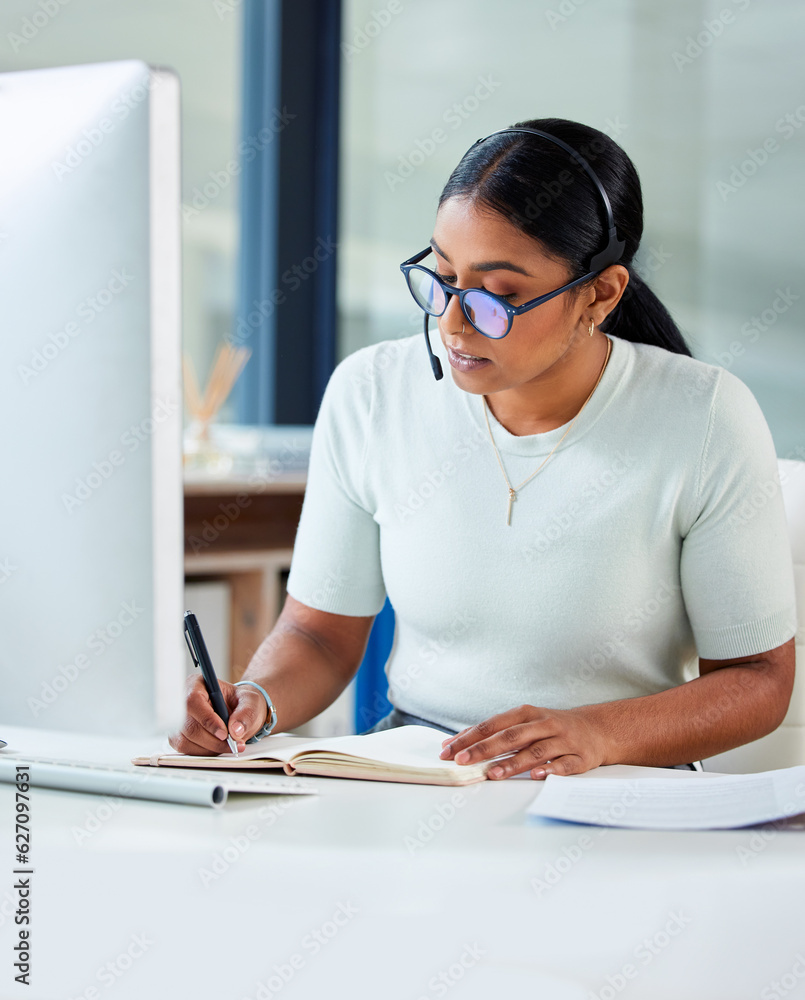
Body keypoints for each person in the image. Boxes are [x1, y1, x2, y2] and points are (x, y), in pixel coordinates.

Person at [170, 118, 796, 780]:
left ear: (600, 294)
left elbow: (757, 680)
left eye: (497, 297)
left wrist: (596, 734)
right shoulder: (371, 393)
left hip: (613, 789)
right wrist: (256, 702)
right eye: (441, 276)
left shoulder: (702, 418)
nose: (451, 323)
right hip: (418, 776)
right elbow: (319, 635)